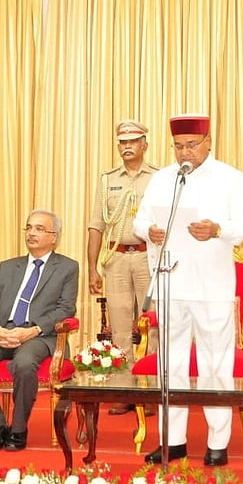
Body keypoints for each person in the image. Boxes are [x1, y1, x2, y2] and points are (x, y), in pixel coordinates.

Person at [133, 113, 243, 467]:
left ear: (208, 143)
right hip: (171, 282)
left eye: (191, 145)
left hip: (211, 286)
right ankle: (172, 440)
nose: (184, 152)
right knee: (168, 365)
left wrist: (218, 229)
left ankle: (217, 443)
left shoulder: (230, 178)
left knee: (214, 363)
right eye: (178, 146)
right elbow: (139, 219)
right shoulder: (162, 179)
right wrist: (149, 231)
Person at [0, 209, 79, 452]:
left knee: (25, 363)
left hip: (38, 335)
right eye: (29, 227)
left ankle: (18, 428)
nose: (32, 233)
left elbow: (66, 309)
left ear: (54, 237)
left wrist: (34, 330)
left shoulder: (67, 267)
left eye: (39, 228)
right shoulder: (8, 267)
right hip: (3, 332)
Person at [87, 119, 159, 416]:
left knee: (152, 325)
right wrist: (92, 268)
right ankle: (124, 389)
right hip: (115, 257)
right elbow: (96, 225)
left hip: (147, 257)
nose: (127, 147)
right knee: (118, 326)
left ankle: (151, 388)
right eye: (122, 142)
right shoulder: (107, 180)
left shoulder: (158, 178)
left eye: (133, 141)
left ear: (144, 144)